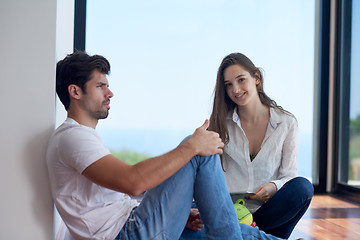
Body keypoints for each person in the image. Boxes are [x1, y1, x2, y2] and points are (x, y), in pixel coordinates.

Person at [47, 51, 285, 240]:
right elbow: (134, 182)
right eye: (100, 86)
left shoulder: (81, 136)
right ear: (75, 91)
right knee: (199, 150)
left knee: (228, 228)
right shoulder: (71, 137)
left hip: (134, 223)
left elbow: (116, 200)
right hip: (129, 234)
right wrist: (191, 147)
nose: (110, 92)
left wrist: (179, 213)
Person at [207, 52, 313, 239]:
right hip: (232, 214)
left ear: (256, 78)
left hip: (270, 214)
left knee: (303, 187)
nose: (235, 89)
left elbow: (289, 176)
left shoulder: (286, 123)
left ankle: (247, 235)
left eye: (241, 80)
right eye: (228, 85)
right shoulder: (219, 124)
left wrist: (274, 186)